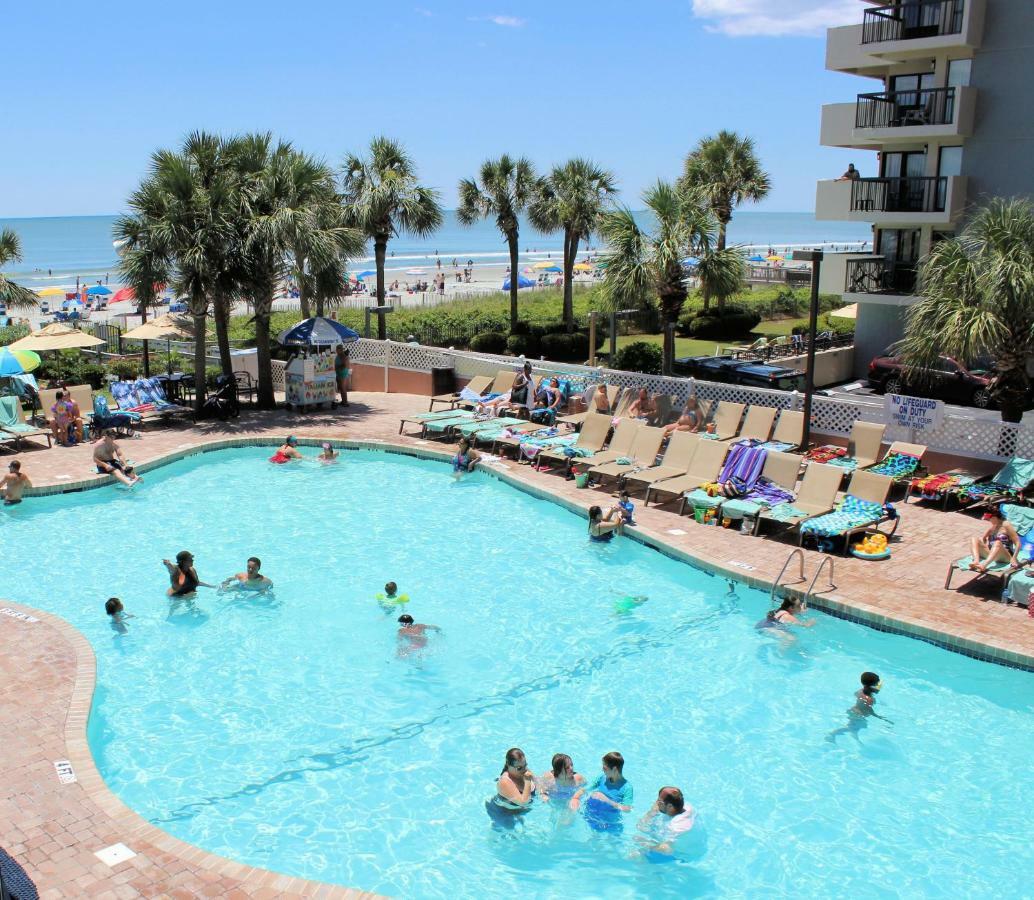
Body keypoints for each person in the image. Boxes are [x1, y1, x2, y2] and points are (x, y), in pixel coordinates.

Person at [827, 671, 893, 743]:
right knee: (849, 728)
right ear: (873, 685)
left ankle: (855, 737)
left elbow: (856, 694)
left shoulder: (860, 691)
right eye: (877, 683)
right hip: (858, 715)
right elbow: (870, 711)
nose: (878, 684)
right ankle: (832, 734)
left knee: (856, 727)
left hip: (854, 711)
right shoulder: (869, 699)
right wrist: (881, 718)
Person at [635, 787, 697, 857]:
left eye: (660, 802)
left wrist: (646, 844)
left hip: (681, 856)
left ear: (670, 806)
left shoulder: (675, 826)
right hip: (688, 846)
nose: (657, 804)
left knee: (633, 856)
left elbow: (666, 849)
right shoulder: (687, 807)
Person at [486, 747, 536, 829]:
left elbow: (538, 783)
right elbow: (524, 802)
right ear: (509, 765)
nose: (524, 770)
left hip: (517, 811)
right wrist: (527, 781)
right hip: (502, 813)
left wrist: (543, 793)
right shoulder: (505, 782)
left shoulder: (523, 769)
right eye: (519, 768)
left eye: (525, 765)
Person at [584, 751, 633, 832]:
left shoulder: (627, 787)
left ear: (614, 769)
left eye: (604, 768)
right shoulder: (601, 778)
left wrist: (606, 800)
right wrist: (575, 798)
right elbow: (585, 789)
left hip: (611, 820)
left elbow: (627, 809)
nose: (602, 769)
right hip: (594, 815)